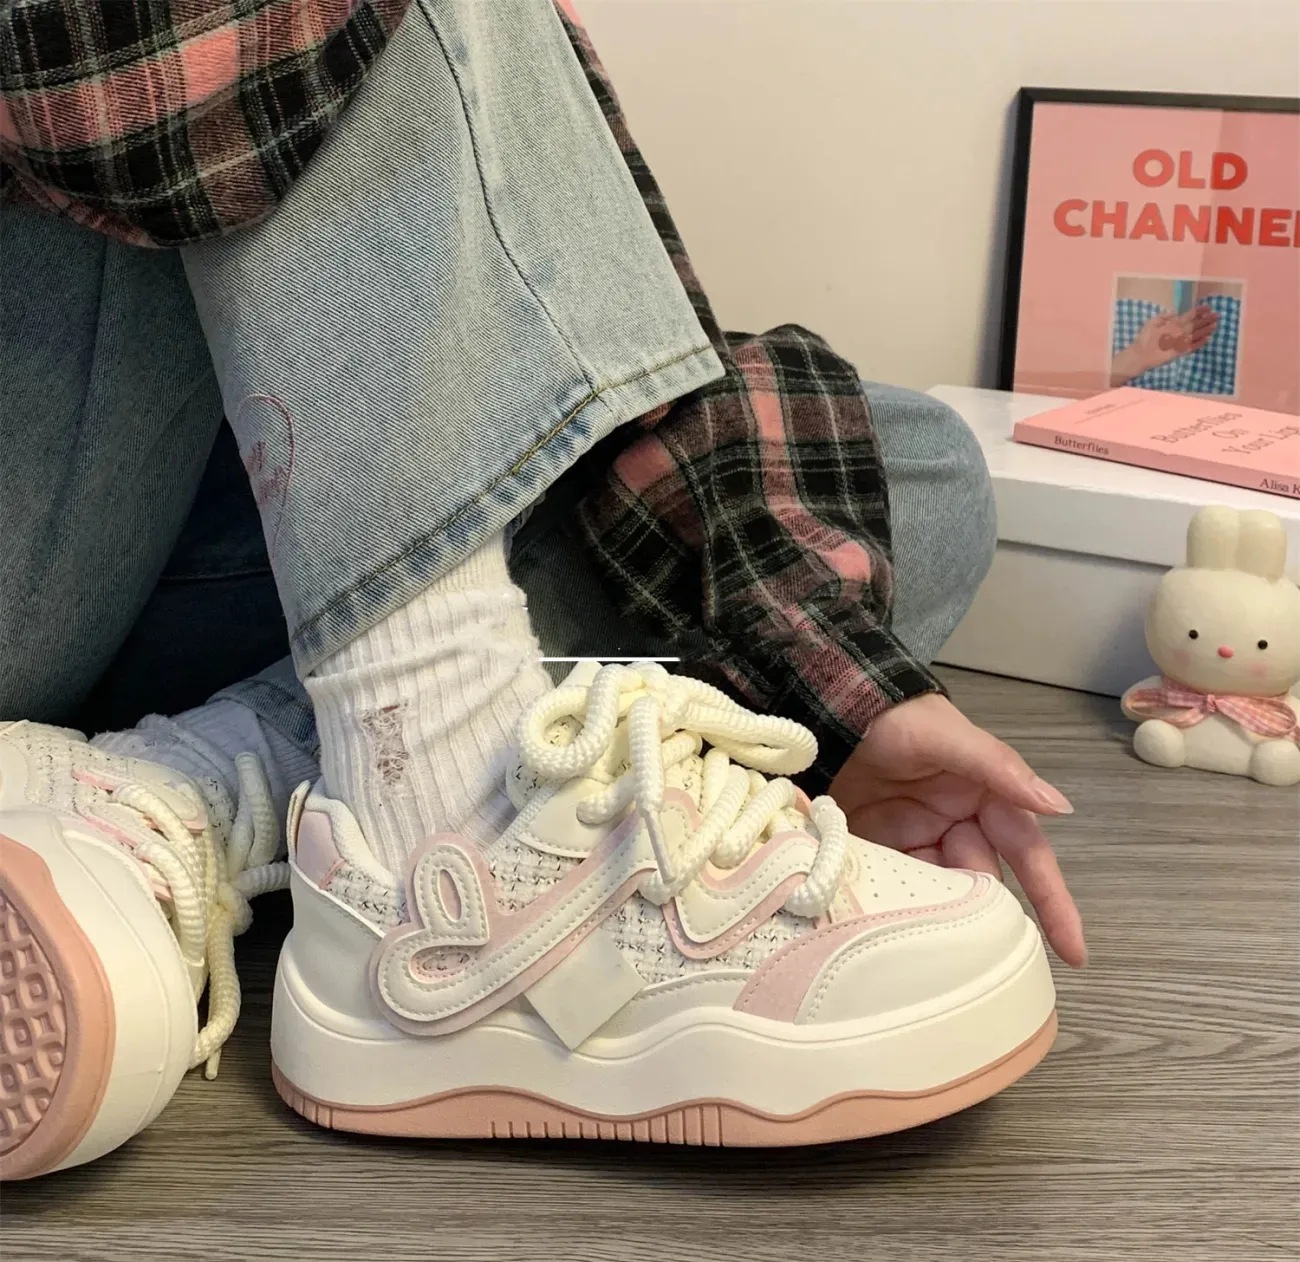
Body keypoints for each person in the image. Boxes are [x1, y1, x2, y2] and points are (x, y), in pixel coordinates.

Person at [0, 0, 1084, 1179]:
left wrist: (816, 649)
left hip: (162, 512)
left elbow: (545, 294)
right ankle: (441, 806)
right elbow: (123, 94)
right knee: (275, 52)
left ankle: (198, 781)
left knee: (911, 478)